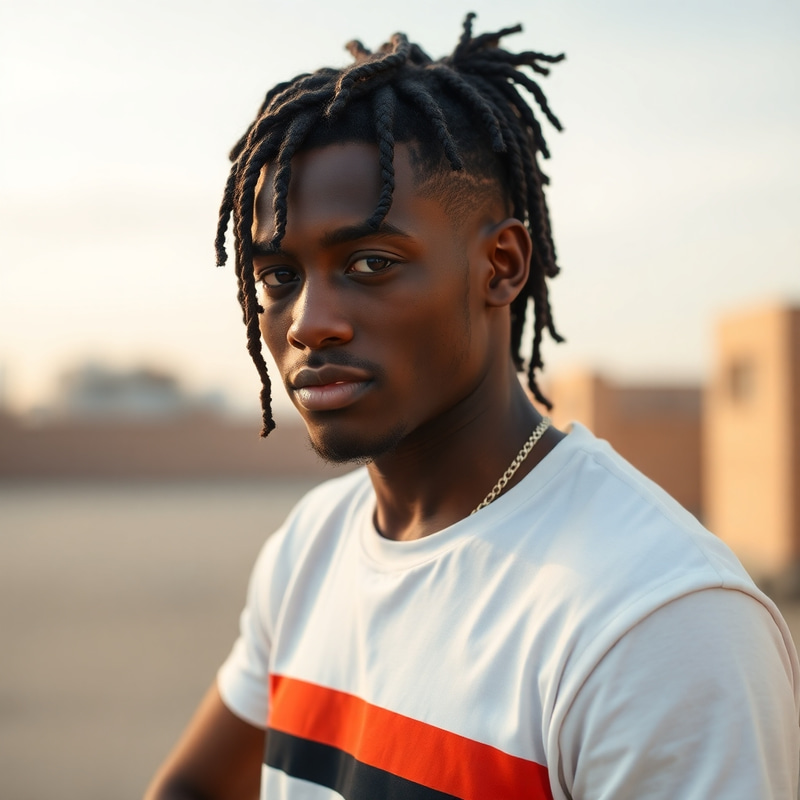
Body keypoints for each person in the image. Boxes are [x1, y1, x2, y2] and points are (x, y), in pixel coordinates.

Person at [145, 14, 800, 800]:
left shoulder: (658, 621)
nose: (308, 321)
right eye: (279, 276)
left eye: (370, 262)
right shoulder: (309, 550)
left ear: (501, 266)